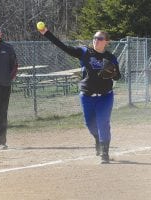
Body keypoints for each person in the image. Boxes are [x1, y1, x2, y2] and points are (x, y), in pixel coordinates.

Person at [38, 28, 121, 164]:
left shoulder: (111, 58)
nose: (95, 40)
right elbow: (63, 47)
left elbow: (118, 76)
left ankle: (105, 153)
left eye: (99, 38)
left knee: (103, 123)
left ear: (106, 42)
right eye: (94, 37)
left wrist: (113, 72)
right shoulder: (85, 53)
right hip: (87, 95)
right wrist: (47, 33)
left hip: (105, 97)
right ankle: (97, 139)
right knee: (90, 124)